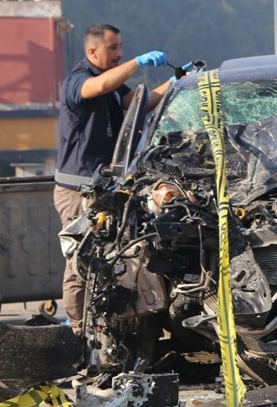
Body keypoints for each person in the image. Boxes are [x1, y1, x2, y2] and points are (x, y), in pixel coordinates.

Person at [55, 23, 170, 330]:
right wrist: (138, 63)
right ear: (92, 51)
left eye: (121, 47)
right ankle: (79, 328)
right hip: (78, 190)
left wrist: (176, 82)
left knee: (111, 255)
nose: (120, 54)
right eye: (113, 48)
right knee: (81, 258)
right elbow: (98, 88)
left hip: (107, 189)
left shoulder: (111, 84)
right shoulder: (78, 80)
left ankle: (109, 324)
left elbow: (137, 103)